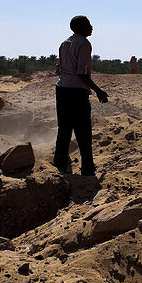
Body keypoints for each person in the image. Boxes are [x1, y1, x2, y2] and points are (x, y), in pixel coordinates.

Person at [54, 15, 108, 176]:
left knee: (63, 131)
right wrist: (98, 91)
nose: (92, 27)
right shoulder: (84, 43)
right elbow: (81, 73)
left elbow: (59, 68)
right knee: (83, 133)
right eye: (88, 25)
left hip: (61, 89)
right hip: (77, 92)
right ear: (81, 27)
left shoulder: (65, 43)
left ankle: (59, 167)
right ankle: (88, 170)